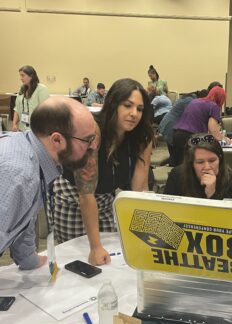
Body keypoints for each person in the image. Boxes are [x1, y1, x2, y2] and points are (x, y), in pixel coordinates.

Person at [52, 78, 153, 266]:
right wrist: (95, 247)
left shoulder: (142, 138)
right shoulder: (92, 131)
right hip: (74, 201)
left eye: (139, 109)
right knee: (81, 261)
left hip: (106, 202)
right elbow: (86, 193)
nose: (134, 114)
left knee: (111, 260)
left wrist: (146, 236)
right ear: (113, 104)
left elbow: (139, 191)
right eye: (127, 105)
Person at [1, 96, 96, 270]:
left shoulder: (28, 150)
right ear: (57, 140)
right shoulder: (20, 176)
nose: (93, 147)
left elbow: (23, 218)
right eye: (87, 140)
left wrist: (29, 260)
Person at [164, 133, 232, 200]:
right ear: (191, 163)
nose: (207, 167)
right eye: (200, 162)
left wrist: (212, 194)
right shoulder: (177, 176)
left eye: (212, 161)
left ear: (220, 159)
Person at [172, 86, 229, 166]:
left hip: (177, 134)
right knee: (189, 168)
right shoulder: (214, 106)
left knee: (179, 166)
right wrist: (224, 139)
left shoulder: (195, 101)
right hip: (190, 137)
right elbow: (213, 130)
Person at [12, 65, 49, 132]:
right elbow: (17, 108)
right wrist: (14, 124)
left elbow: (45, 111)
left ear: (31, 76)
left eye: (23, 75)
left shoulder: (41, 89)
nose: (21, 78)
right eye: (20, 76)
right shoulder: (21, 89)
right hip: (22, 128)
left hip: (36, 129)